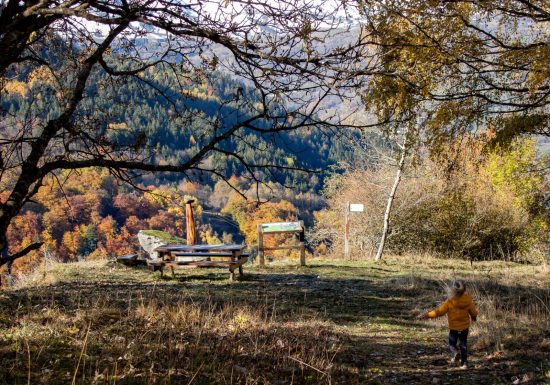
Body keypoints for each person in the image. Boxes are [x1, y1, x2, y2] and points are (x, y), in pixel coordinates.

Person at [423, 279, 478, 369]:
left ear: (453, 289)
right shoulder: (468, 300)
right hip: (464, 327)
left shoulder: (450, 301)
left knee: (452, 344)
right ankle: (464, 364)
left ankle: (456, 352)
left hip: (454, 328)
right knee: (463, 344)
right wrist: (474, 317)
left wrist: (429, 315)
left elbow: (439, 312)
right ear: (464, 289)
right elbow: (473, 312)